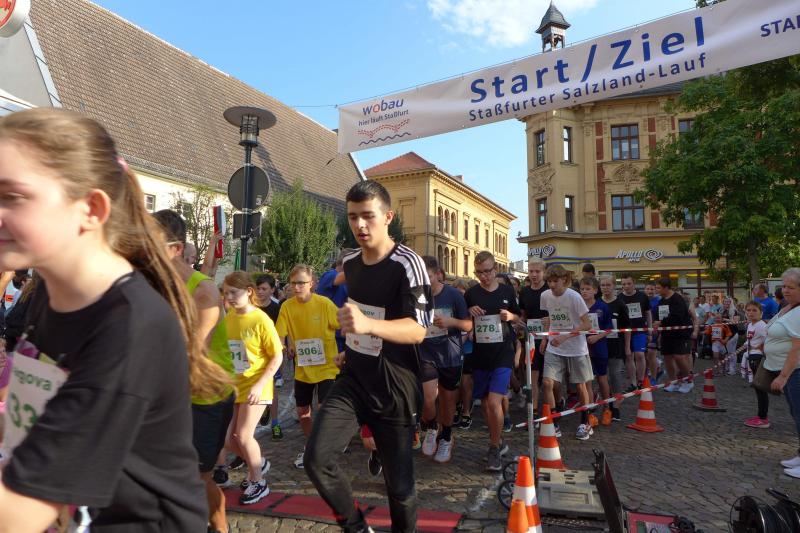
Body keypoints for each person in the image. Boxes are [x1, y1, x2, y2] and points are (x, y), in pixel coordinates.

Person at [0, 108, 232, 531]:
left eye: (13, 196)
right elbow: (28, 414)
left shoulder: (130, 324)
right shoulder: (49, 293)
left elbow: (20, 512)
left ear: (90, 208)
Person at [303, 181, 432, 533]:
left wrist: (368, 326)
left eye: (367, 216)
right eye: (352, 217)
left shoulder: (408, 263)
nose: (359, 225)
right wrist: (352, 345)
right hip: (355, 379)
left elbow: (419, 329)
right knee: (316, 458)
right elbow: (363, 314)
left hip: (394, 386)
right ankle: (357, 527)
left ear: (388, 217)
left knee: (400, 489)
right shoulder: (351, 263)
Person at [153, 210, 235, 533]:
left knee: (198, 477)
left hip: (208, 397)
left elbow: (191, 356)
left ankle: (220, 527)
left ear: (175, 249)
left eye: (150, 244)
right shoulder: (156, 287)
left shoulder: (204, 293)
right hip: (174, 394)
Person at [222, 271, 284, 504]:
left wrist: (259, 385)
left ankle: (258, 481)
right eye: (225, 293)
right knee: (228, 438)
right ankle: (258, 463)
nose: (228, 297)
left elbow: (277, 356)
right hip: (236, 386)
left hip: (257, 385)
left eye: (233, 292)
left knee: (244, 435)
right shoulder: (229, 317)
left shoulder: (260, 319)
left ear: (249, 292)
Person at [275, 264, 341, 469]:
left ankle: (323, 450)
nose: (296, 287)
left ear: (312, 283)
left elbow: (343, 325)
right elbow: (280, 334)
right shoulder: (287, 306)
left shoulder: (325, 304)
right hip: (303, 368)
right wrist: (284, 346)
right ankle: (310, 447)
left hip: (327, 367)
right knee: (303, 412)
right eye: (293, 283)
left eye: (301, 283)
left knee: (323, 409)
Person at [465, 251, 521, 470]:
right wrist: (469, 312)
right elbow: (464, 321)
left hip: (503, 353)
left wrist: (511, 317)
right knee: (487, 405)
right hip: (481, 354)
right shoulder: (471, 294)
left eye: (487, 271)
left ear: (495, 269)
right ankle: (497, 439)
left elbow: (519, 318)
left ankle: (494, 448)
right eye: (479, 272)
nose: (484, 276)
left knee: (494, 402)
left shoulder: (507, 291)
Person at [418, 256, 471, 463]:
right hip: (425, 353)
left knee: (448, 401)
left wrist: (452, 321)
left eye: (428, 277)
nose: (425, 281)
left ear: (438, 274)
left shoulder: (453, 295)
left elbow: (468, 325)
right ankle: (432, 427)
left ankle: (447, 436)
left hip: (450, 354)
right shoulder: (416, 296)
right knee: (428, 398)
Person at [539, 265, 592, 440]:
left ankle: (585, 421)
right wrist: (545, 338)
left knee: (580, 385)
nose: (552, 285)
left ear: (564, 280)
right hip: (554, 347)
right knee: (547, 383)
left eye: (555, 281)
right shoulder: (545, 296)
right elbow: (550, 318)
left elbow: (587, 324)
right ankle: (554, 422)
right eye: (549, 281)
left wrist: (566, 337)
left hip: (576, 348)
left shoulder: (574, 297)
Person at [760, 269, 800, 478]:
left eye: (791, 287)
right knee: (795, 413)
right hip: (787, 369)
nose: (785, 290)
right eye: (783, 286)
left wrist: (784, 375)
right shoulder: (789, 307)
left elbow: (797, 348)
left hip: (795, 371)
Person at [579, 277, 612, 427]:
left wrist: (597, 337)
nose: (584, 292)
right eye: (582, 289)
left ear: (595, 290)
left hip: (599, 348)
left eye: (588, 289)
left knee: (602, 378)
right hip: (583, 348)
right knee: (587, 381)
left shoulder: (602, 307)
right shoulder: (578, 307)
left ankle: (607, 408)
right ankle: (590, 412)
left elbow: (609, 328)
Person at [519, 259, 549, 420]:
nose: (534, 275)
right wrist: (519, 324)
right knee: (533, 376)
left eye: (537, 271)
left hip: (550, 338)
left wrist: (546, 335)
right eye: (531, 271)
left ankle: (556, 404)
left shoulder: (549, 289)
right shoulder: (524, 292)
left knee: (549, 380)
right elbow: (523, 315)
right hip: (531, 339)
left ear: (544, 272)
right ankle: (535, 411)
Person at [652, 278, 694, 394]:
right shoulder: (661, 301)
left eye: (658, 288)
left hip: (680, 333)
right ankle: (673, 382)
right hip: (667, 333)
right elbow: (659, 316)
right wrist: (658, 326)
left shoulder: (677, 299)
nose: (656, 290)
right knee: (667, 357)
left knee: (679, 357)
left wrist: (661, 322)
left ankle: (688, 381)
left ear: (666, 288)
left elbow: (677, 317)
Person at [599, 275, 631, 422]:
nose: (605, 288)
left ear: (614, 286)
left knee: (615, 375)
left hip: (616, 345)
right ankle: (606, 404)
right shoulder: (597, 303)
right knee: (601, 377)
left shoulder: (620, 305)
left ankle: (616, 406)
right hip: (599, 344)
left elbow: (627, 328)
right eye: (603, 285)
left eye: (608, 285)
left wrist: (627, 347)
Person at [619, 274, 652, 391]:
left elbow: (648, 313)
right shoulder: (619, 298)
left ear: (634, 284)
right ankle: (633, 383)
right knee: (629, 356)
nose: (626, 286)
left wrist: (650, 329)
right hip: (625, 332)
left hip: (640, 330)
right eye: (624, 284)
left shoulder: (642, 296)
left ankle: (640, 381)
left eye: (629, 283)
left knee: (639, 355)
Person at [451, 278, 476, 429]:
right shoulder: (450, 306)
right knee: (455, 383)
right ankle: (456, 407)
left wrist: (468, 333)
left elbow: (473, 326)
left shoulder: (470, 308)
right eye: (457, 293)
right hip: (453, 349)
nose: (460, 296)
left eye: (462, 293)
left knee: (466, 382)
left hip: (467, 349)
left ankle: (466, 412)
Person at [743, 300, 769, 428]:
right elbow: (751, 340)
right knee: (758, 389)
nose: (751, 313)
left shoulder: (761, 325)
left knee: (760, 388)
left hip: (758, 358)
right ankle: (761, 416)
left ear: (761, 313)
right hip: (752, 357)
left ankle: (763, 419)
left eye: (754, 310)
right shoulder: (750, 325)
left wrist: (760, 348)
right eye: (748, 310)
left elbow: (769, 339)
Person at [644, 282, 661, 383]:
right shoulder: (642, 299)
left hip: (654, 330)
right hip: (642, 330)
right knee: (644, 355)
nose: (649, 291)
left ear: (655, 290)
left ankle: (653, 378)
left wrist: (659, 328)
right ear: (644, 290)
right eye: (648, 289)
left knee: (651, 353)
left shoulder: (659, 301)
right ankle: (646, 376)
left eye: (652, 289)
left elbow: (663, 316)